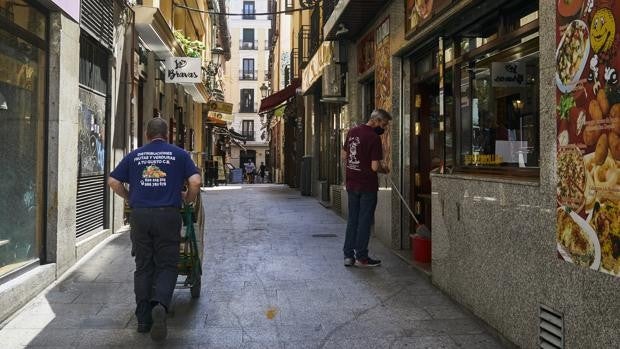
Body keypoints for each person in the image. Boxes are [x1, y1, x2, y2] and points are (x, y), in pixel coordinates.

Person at [107, 118, 201, 341]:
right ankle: (159, 304)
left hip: (140, 216)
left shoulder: (135, 155)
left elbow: (112, 181)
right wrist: (188, 198)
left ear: (147, 134)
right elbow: (195, 181)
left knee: (143, 265)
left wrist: (130, 197)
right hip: (168, 216)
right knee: (167, 264)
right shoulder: (179, 154)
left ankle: (142, 319)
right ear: (166, 134)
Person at [341, 109, 391, 267]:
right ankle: (362, 256)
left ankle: (348, 256)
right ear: (376, 120)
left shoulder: (352, 132)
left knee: (353, 220)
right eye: (383, 124)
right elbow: (375, 167)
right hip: (367, 186)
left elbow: (344, 155)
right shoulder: (374, 138)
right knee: (364, 221)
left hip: (351, 183)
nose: (384, 128)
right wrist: (385, 169)